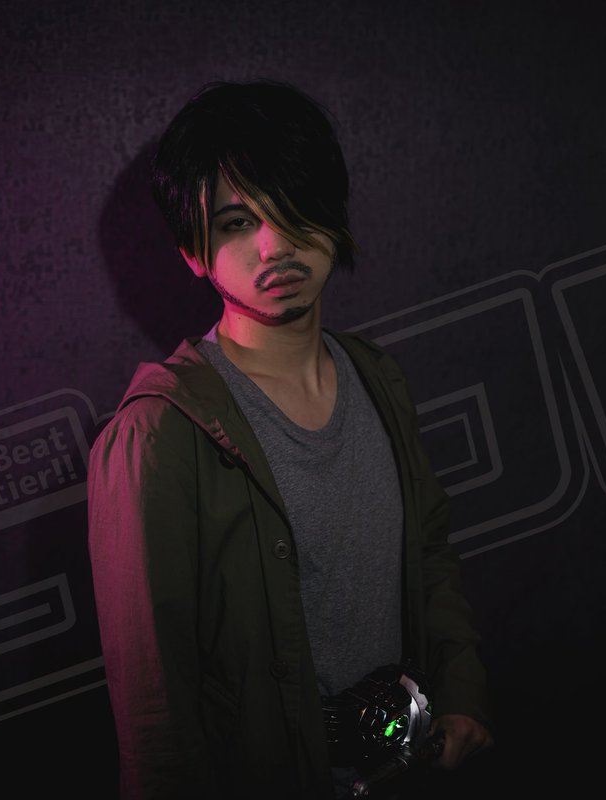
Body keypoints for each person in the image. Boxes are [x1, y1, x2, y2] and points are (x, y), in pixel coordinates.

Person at [87, 80, 492, 799]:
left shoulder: (377, 377)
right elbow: (155, 711)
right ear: (193, 251)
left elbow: (429, 556)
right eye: (238, 222)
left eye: (295, 208)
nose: (276, 245)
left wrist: (461, 693)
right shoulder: (157, 434)